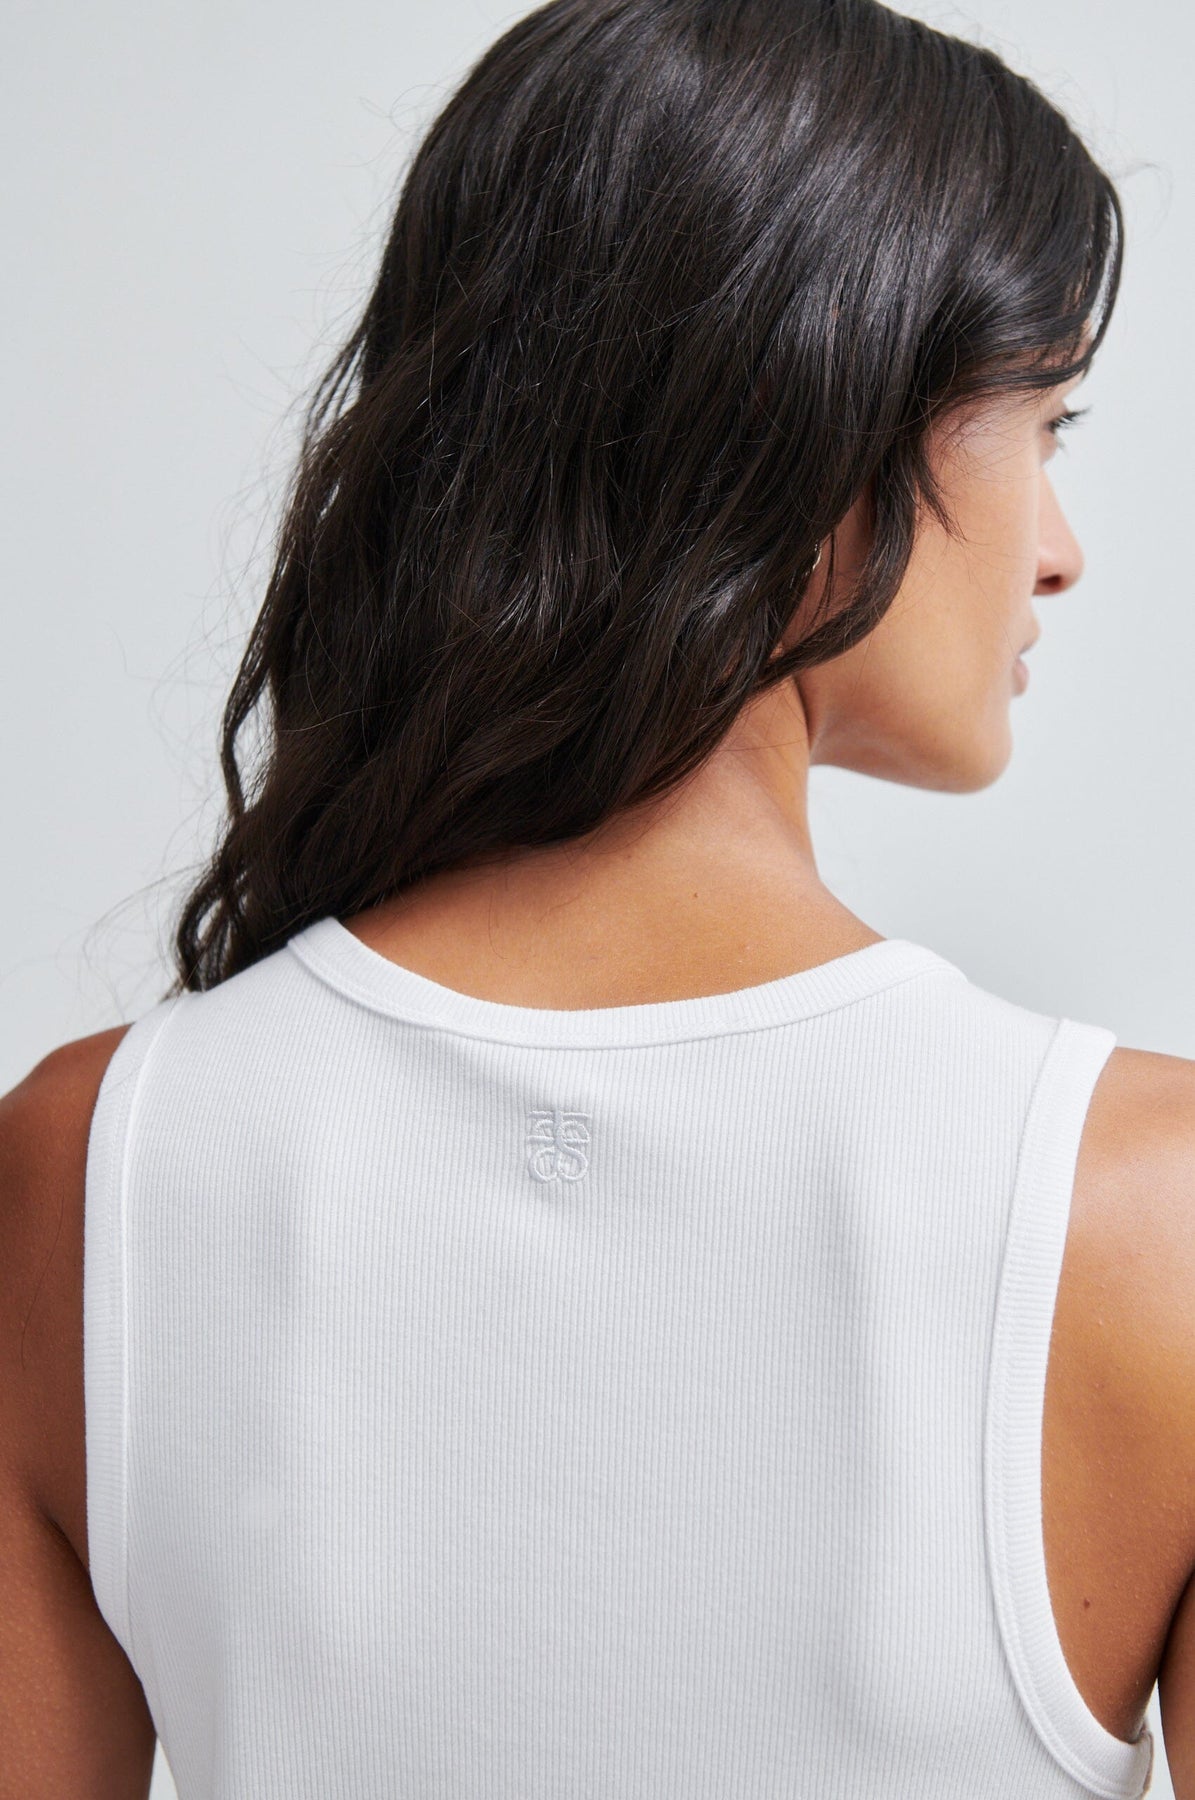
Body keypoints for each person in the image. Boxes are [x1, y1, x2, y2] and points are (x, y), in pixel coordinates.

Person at [2, 0, 1192, 1794]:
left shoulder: (82, 1170)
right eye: (1041, 423)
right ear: (817, 417)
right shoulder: (1157, 1219)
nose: (1060, 551)